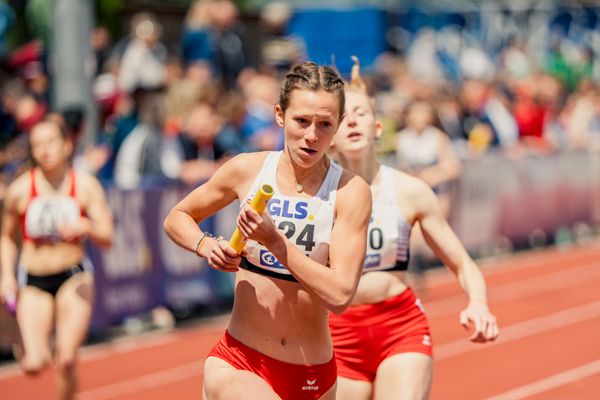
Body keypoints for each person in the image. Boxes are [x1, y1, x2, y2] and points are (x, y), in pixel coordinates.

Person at [163, 61, 371, 399]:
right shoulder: (247, 169)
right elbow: (177, 217)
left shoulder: (350, 192)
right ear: (279, 115)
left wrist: (276, 242)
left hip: (313, 373)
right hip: (240, 361)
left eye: (324, 124)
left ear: (338, 127)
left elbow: (339, 295)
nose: (311, 135)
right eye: (301, 121)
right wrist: (206, 245)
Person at [328, 58, 499, 400]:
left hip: (398, 326)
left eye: (361, 113)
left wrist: (478, 302)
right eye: (343, 116)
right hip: (336, 335)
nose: (353, 122)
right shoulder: (317, 198)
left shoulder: (409, 191)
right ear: (328, 135)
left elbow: (463, 263)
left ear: (378, 128)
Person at [0, 117, 113, 400]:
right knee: (34, 364)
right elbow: (6, 237)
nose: (44, 151)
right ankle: (22, 337)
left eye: (50, 142)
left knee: (66, 358)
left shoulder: (85, 186)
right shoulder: (20, 190)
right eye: (37, 145)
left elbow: (107, 236)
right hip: (35, 280)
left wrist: (85, 227)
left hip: (73, 277)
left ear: (66, 145)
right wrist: (6, 276)